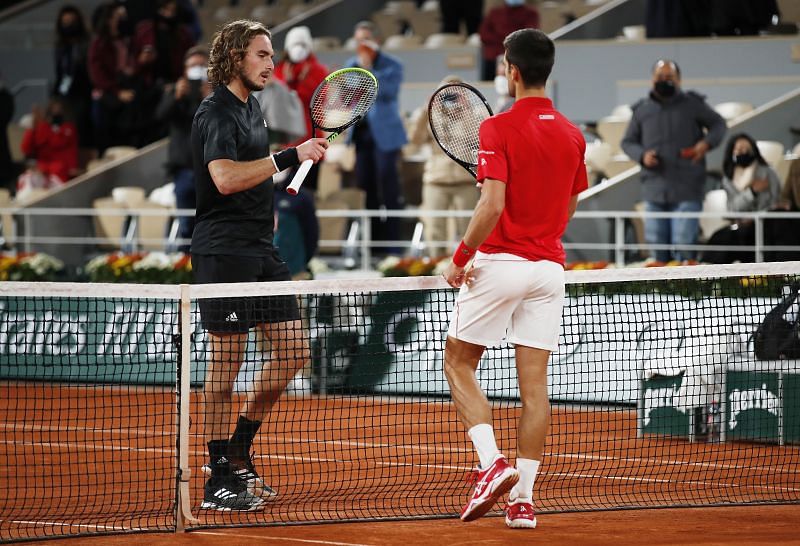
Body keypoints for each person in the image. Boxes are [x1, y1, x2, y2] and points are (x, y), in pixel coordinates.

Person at [441, 29, 587, 529]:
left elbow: (493, 204)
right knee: (535, 390)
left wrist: (461, 257)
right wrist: (539, 230)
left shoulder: (498, 128)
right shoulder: (572, 133)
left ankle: (490, 464)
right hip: (549, 270)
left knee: (458, 362)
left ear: (514, 71)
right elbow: (568, 202)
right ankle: (522, 501)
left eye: (505, 65)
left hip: (501, 264)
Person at [190, 19, 327, 512]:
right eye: (262, 55)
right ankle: (216, 475)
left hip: (260, 250)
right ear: (234, 57)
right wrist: (290, 156)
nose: (271, 63)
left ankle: (239, 450)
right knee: (225, 371)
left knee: (294, 351)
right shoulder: (216, 113)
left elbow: (249, 182)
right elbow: (224, 178)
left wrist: (272, 188)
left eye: (272, 55)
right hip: (223, 254)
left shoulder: (254, 109)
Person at [621, 59, 726, 263]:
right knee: (657, 249)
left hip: (687, 188)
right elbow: (627, 142)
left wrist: (705, 144)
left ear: (679, 80)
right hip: (654, 190)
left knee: (684, 246)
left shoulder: (693, 104)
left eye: (669, 77)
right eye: (660, 77)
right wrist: (642, 155)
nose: (664, 81)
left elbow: (719, 125)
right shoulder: (642, 110)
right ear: (652, 80)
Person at [345, 21, 407, 253]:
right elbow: (348, 97)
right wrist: (361, 69)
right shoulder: (351, 65)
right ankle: (372, 245)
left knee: (389, 189)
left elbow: (387, 92)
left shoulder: (393, 65)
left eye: (366, 39)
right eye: (358, 40)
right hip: (361, 136)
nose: (362, 44)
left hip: (386, 137)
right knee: (366, 189)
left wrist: (368, 68)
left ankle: (392, 245)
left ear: (376, 41)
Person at [409, 75, 479, 257]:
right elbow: (415, 140)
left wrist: (466, 108)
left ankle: (468, 266)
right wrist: (427, 110)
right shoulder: (430, 114)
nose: (450, 98)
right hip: (436, 179)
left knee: (469, 230)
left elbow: (477, 141)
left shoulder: (475, 113)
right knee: (435, 230)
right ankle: (436, 266)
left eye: (455, 94)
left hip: (465, 180)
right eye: (445, 93)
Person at [155, 46, 211, 252]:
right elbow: (160, 116)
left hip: (213, 170)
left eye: (202, 65)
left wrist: (211, 98)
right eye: (193, 66)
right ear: (184, 69)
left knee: (211, 225)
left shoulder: (221, 93)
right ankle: (186, 269)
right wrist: (176, 97)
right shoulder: (175, 91)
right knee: (186, 226)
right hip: (184, 170)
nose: (197, 69)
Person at [702, 133, 781, 263]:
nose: (742, 152)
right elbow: (733, 208)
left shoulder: (768, 173)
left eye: (746, 149)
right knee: (720, 239)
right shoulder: (728, 179)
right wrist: (752, 191)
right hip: (740, 226)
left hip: (765, 224)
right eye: (738, 149)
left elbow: (773, 202)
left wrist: (755, 216)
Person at [273, 25, 328, 191]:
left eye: (303, 45)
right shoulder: (279, 70)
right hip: (284, 144)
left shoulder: (318, 71)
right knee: (281, 195)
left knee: (307, 194)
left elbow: (321, 100)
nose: (298, 49)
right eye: (295, 45)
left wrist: (298, 89)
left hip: (311, 140)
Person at [53, 5, 94, 156]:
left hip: (85, 92)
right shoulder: (61, 47)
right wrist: (56, 97)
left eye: (71, 21)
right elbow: (60, 74)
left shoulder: (86, 43)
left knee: (82, 125)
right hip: (67, 94)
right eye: (65, 21)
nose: (68, 25)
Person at [17, 99, 79, 198]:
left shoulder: (68, 127)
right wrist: (32, 128)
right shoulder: (43, 127)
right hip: (43, 168)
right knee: (26, 179)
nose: (55, 112)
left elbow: (56, 143)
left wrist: (41, 124)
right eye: (53, 109)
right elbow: (26, 149)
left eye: (59, 109)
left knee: (52, 191)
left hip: (61, 171)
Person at [478, 0, 539, 81]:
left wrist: (504, 40)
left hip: (519, 58)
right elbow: (484, 34)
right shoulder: (494, 13)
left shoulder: (531, 14)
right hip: (493, 59)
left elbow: (528, 35)